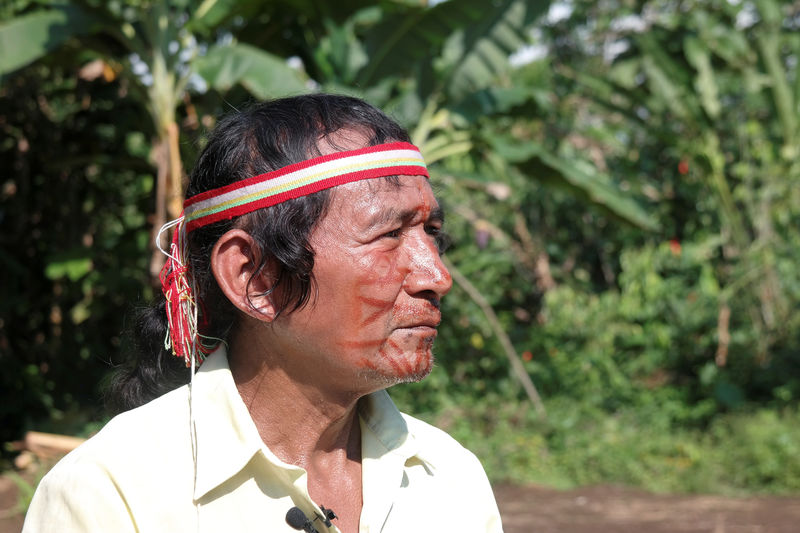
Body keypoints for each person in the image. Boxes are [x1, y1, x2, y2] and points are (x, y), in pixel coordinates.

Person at [22, 94, 503, 532]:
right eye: (388, 235)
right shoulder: (111, 495)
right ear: (254, 277)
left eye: (431, 232)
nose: (436, 275)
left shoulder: (449, 476)